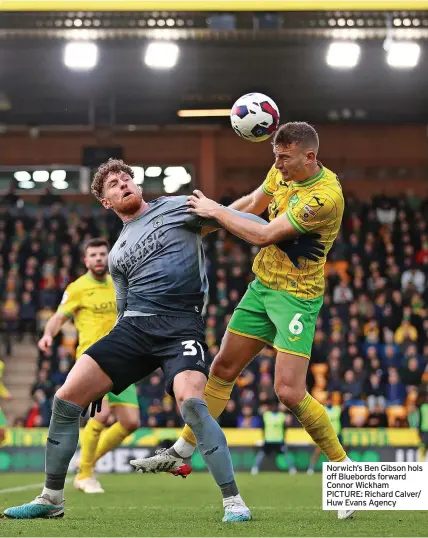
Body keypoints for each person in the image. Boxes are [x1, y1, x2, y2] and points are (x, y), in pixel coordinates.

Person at [5, 159, 307, 521]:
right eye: (113, 185)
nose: (122, 184)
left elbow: (228, 215)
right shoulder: (117, 254)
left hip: (181, 326)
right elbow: (122, 309)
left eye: (125, 178)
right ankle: (51, 498)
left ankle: (233, 502)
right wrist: (108, 373)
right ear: (106, 202)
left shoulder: (176, 206)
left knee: (193, 404)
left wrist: (277, 231)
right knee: (67, 398)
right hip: (132, 329)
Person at [133, 122, 355, 521]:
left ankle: (344, 472)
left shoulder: (325, 197)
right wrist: (206, 225)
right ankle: (182, 451)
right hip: (261, 287)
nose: (277, 163)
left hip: (296, 298)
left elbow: (266, 233)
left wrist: (215, 211)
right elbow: (254, 202)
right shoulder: (280, 171)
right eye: (275, 155)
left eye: (285, 157)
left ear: (310, 157)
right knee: (223, 368)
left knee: (287, 391)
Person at [35, 237, 141, 494]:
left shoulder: (120, 283)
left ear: (109, 256)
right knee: (102, 415)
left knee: (130, 422)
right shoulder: (78, 288)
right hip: (94, 360)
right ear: (85, 260)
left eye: (102, 254)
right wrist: (48, 335)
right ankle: (85, 474)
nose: (98, 259)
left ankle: (87, 463)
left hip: (123, 358)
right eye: (93, 255)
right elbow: (58, 317)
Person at [250, 401, 296, 475]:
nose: (274, 407)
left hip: (279, 439)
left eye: (275, 406)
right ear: (270, 407)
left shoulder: (282, 415)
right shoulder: (266, 415)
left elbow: (287, 425)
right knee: (261, 454)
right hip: (269, 439)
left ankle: (292, 468)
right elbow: (258, 418)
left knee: (285, 454)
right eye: (272, 406)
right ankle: (255, 468)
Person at [307, 394, 342, 474]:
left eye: (330, 400)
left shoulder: (337, 409)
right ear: (325, 401)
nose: (329, 402)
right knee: (318, 451)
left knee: (341, 452)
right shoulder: (322, 409)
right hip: (326, 434)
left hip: (337, 434)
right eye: (327, 401)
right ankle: (311, 468)